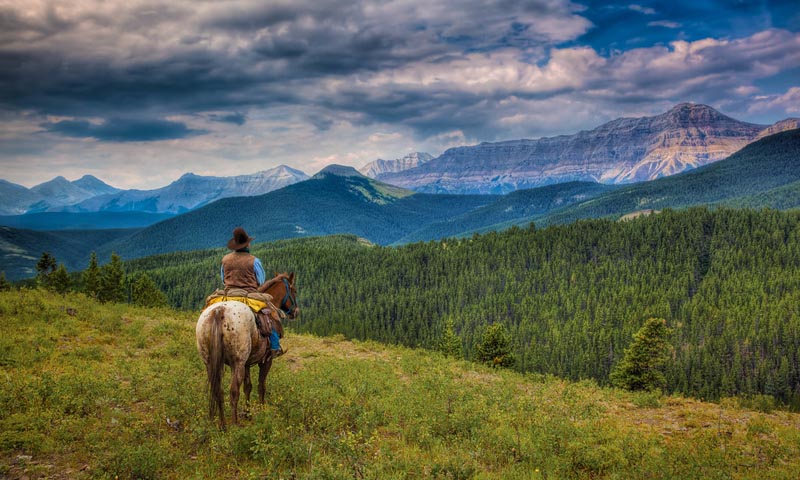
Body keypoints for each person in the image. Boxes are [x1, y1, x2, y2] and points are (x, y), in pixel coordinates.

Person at [220, 227, 283, 357]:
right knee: (270, 315)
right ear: (247, 244)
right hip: (248, 294)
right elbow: (260, 280)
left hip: (228, 294)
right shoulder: (254, 260)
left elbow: (223, 279)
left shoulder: (225, 259)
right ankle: (275, 347)